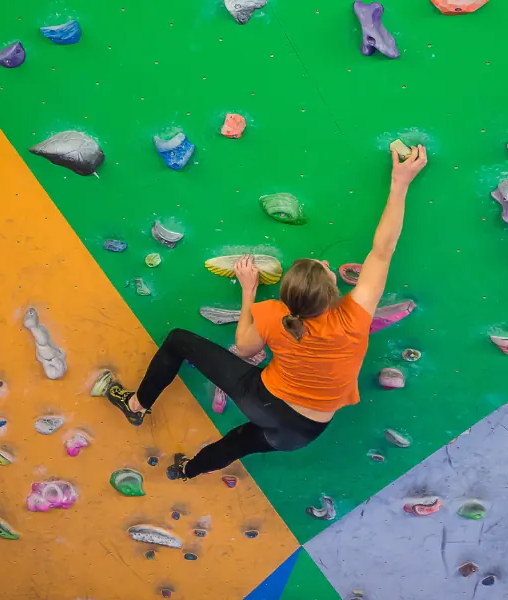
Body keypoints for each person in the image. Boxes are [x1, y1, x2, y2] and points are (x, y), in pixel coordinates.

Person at [94, 145, 428, 480]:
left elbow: (246, 347)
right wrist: (400, 184)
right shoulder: (355, 316)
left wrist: (249, 292)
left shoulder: (274, 315)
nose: (327, 264)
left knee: (178, 340)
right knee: (239, 442)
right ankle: (186, 470)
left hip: (263, 401)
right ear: (333, 294)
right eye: (326, 269)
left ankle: (136, 406)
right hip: (303, 432)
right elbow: (382, 251)